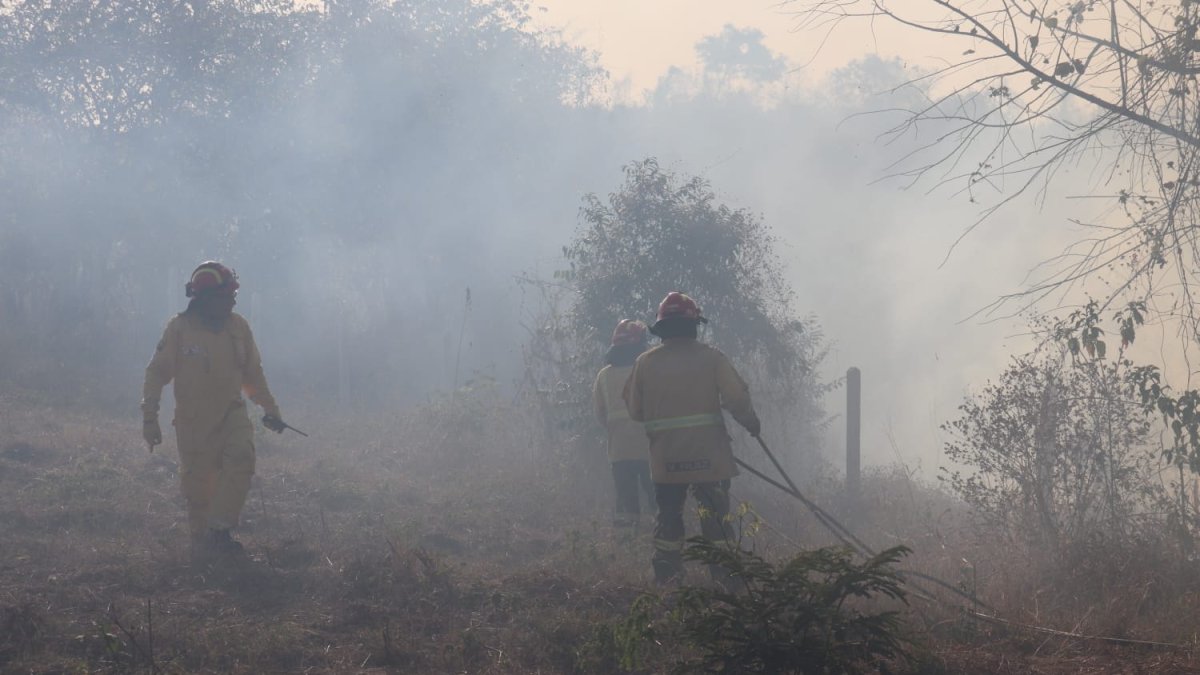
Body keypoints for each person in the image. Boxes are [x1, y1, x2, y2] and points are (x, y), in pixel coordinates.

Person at [141, 261, 289, 561]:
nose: (233, 301)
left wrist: (270, 409)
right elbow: (156, 373)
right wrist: (150, 418)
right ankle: (206, 547)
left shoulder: (239, 328)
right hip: (193, 425)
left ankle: (220, 531)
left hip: (231, 415)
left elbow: (252, 375)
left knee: (242, 456)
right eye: (226, 295)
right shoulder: (179, 329)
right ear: (205, 298)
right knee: (199, 497)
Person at [624, 291, 760, 585]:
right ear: (693, 325)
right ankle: (726, 579)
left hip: (666, 460)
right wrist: (752, 423)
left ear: (661, 328)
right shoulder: (712, 358)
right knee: (716, 517)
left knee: (669, 517)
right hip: (709, 458)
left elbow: (635, 410)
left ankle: (668, 578)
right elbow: (737, 397)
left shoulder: (645, 364)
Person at [593, 319, 656, 530]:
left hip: (619, 451)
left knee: (626, 502)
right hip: (649, 449)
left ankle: (627, 543)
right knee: (658, 499)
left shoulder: (603, 376)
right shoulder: (646, 368)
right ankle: (664, 536)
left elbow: (600, 414)